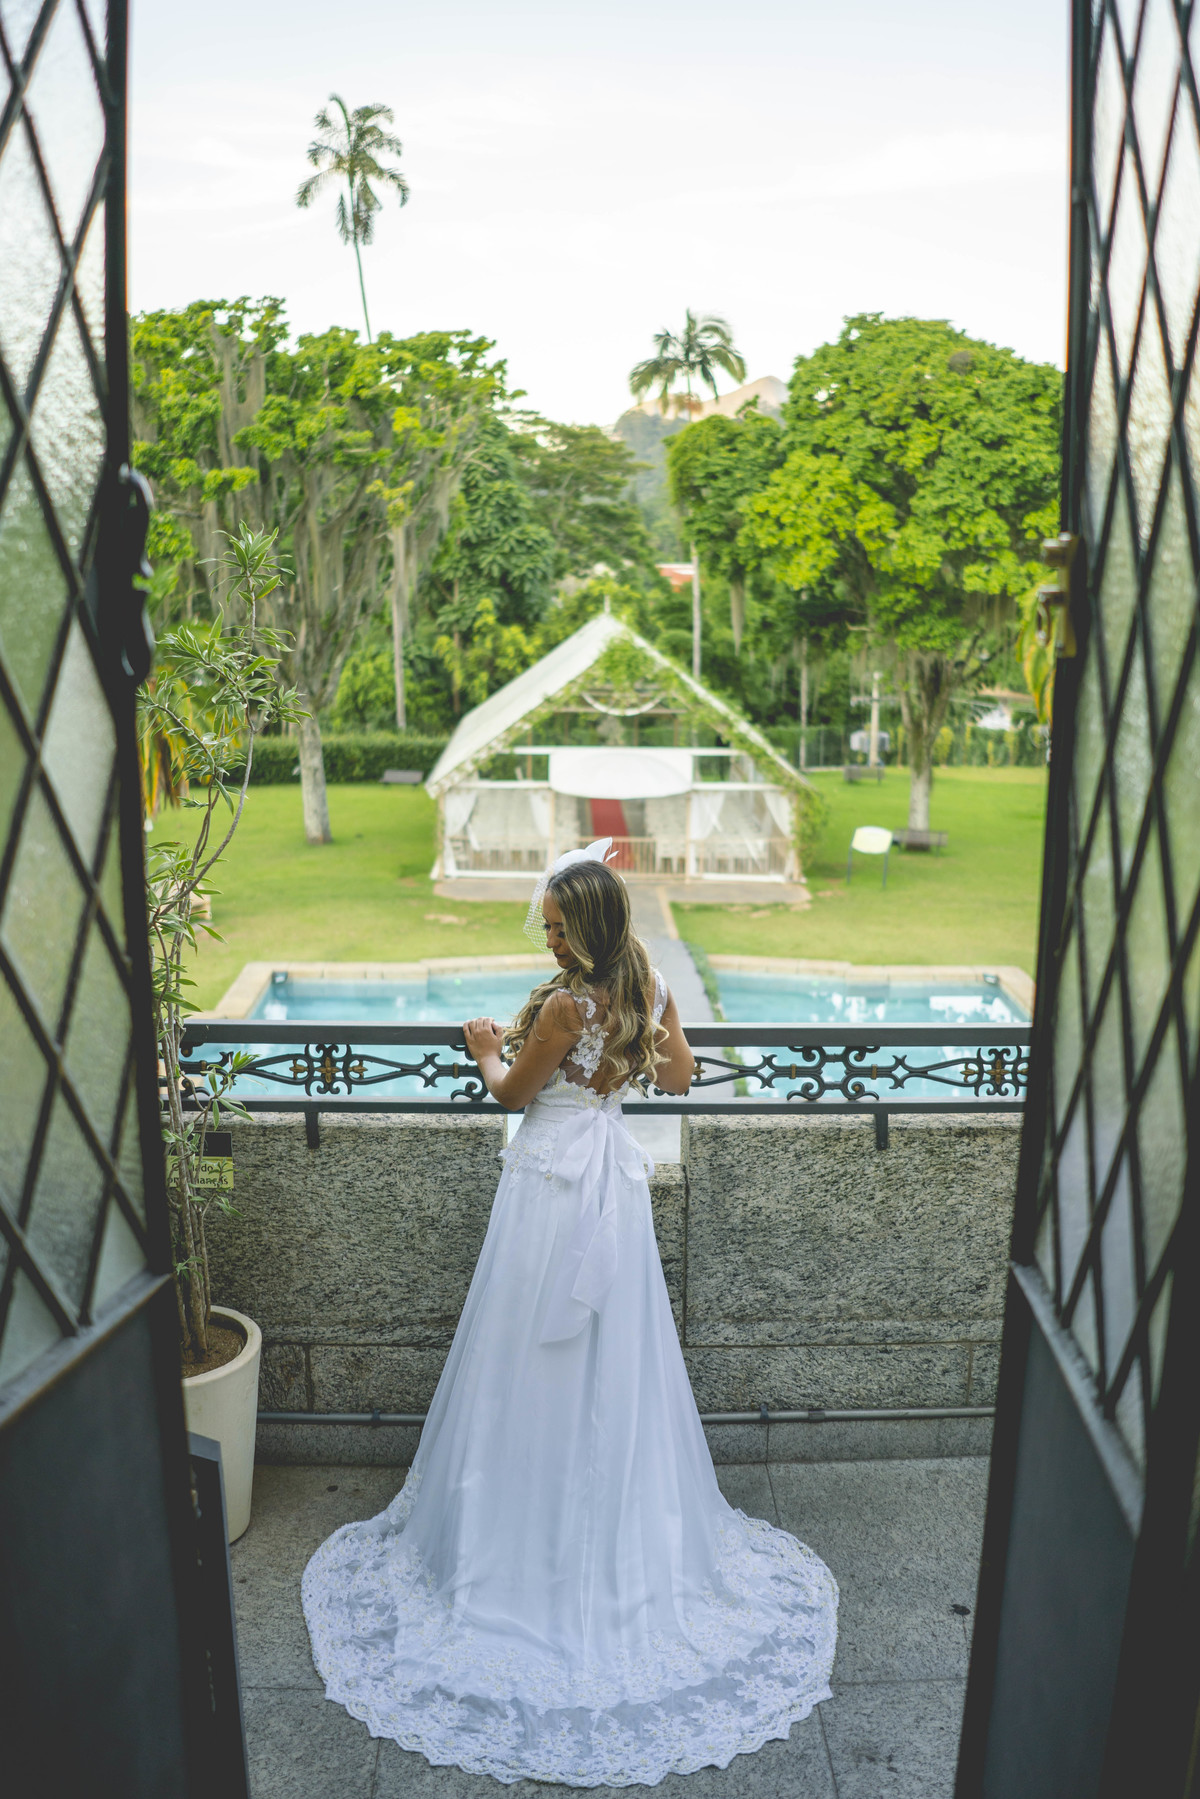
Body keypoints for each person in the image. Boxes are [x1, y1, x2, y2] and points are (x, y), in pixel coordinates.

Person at [302, 840, 838, 1786]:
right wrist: (662, 1018)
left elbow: (512, 1093)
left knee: (525, 1362)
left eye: (556, 925)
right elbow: (676, 1082)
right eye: (545, 925)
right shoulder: (646, 983)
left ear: (586, 924)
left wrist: (481, 1052)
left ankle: (517, 1543)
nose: (547, 938)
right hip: (615, 1204)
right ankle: (615, 1538)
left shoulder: (563, 1005)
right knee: (615, 1367)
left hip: (552, 1202)